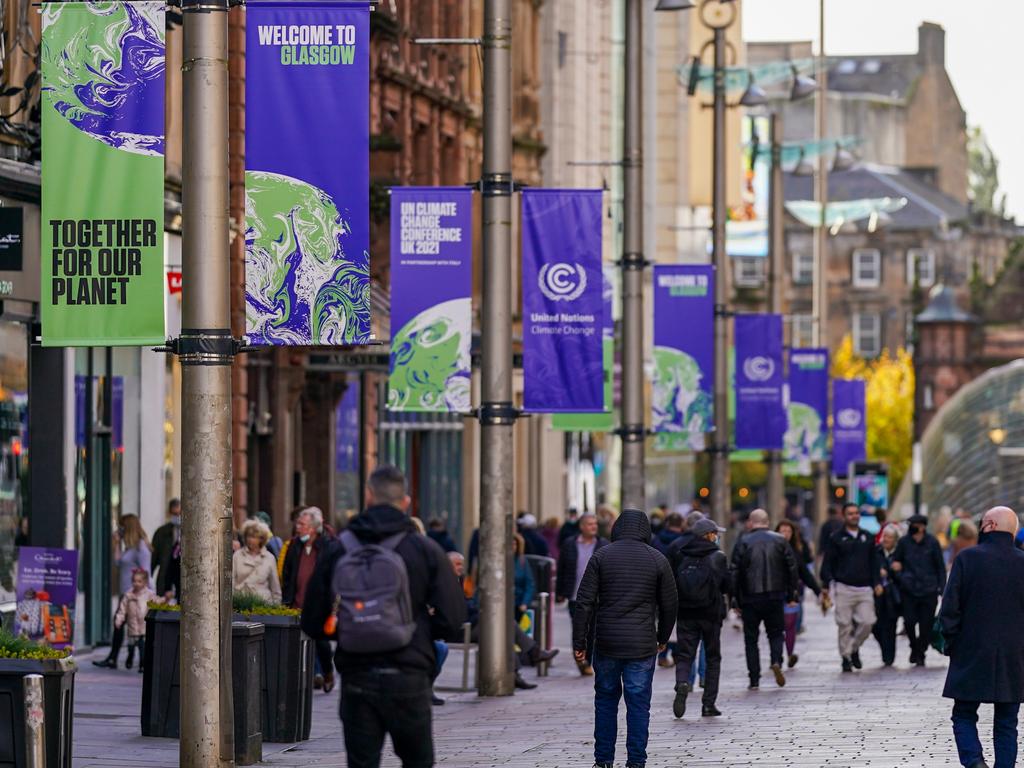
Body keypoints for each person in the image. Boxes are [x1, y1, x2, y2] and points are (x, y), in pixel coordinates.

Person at [300, 465, 466, 768]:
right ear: (405, 501)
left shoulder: (340, 549)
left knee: (362, 762)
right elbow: (453, 619)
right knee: (418, 762)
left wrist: (355, 628)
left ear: (368, 496)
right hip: (409, 672)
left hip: (357, 674)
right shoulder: (426, 550)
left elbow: (311, 621)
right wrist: (418, 628)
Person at [572, 509, 677, 768]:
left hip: (607, 642)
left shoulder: (601, 556)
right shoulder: (657, 559)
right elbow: (670, 604)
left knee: (606, 699)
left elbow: (584, 602)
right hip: (642, 644)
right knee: (639, 704)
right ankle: (636, 761)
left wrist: (579, 642)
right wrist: (662, 638)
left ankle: (603, 759)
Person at [940, 506, 1024, 768]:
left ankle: (974, 761)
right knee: (1007, 722)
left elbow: (949, 608)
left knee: (964, 713)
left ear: (988, 525)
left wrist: (951, 642)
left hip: (971, 649)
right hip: (1014, 654)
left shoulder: (967, 559)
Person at [667, 517, 730, 719]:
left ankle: (683, 682)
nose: (717, 537)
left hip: (685, 613)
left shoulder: (681, 554)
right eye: (715, 533)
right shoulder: (717, 557)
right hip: (710, 614)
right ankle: (708, 704)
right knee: (712, 657)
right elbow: (727, 585)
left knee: (685, 655)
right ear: (708, 535)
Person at [730, 509, 799, 689]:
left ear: (751, 523)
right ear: (767, 522)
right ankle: (776, 660)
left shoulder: (743, 541)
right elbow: (792, 568)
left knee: (751, 638)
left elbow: (735, 571)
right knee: (776, 632)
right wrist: (791, 593)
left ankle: (754, 678)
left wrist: (734, 598)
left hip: (750, 597)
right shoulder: (780, 540)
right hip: (775, 595)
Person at [821, 504, 882, 673]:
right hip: (844, 587)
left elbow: (874, 562)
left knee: (868, 622)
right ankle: (845, 658)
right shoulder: (836, 538)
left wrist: (877, 582)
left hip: (865, 588)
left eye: (856, 513)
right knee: (844, 625)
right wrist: (826, 585)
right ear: (843, 515)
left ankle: (853, 648)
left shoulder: (868, 537)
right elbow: (828, 563)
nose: (854, 516)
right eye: (850, 513)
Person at [281, 506, 336, 692]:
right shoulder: (294, 545)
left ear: (312, 528)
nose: (298, 527)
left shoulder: (327, 546)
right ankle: (309, 677)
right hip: (297, 601)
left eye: (302, 524)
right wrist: (287, 596)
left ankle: (327, 671)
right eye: (298, 523)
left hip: (318, 603)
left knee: (321, 642)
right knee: (299, 641)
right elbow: (287, 573)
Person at [94, 514, 153, 669]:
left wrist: (149, 595)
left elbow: (146, 573)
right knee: (122, 625)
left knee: (130, 626)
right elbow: (118, 562)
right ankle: (116, 658)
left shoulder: (141, 548)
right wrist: (116, 544)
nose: (119, 529)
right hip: (126, 593)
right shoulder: (131, 547)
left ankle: (122, 659)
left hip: (135, 595)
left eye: (121, 526)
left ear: (128, 527)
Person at [555, 513, 608, 676]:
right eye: (590, 524)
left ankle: (587, 662)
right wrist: (560, 592)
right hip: (575, 595)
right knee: (578, 628)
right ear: (582, 526)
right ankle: (580, 658)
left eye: (595, 524)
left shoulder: (604, 545)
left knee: (592, 631)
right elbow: (562, 568)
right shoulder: (569, 544)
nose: (594, 527)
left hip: (597, 596)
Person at [892, 513, 946, 667]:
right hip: (909, 590)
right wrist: (901, 576)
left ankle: (920, 652)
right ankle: (914, 646)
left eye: (914, 524)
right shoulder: (904, 542)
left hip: (929, 590)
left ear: (922, 527)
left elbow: (940, 567)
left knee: (926, 625)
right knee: (908, 622)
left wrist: (943, 588)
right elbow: (895, 562)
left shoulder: (932, 542)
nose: (911, 527)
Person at [776, 518, 821, 669]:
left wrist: (818, 590)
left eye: (788, 531)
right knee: (776, 628)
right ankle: (775, 658)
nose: (786, 534)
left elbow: (805, 573)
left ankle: (789, 654)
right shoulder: (771, 549)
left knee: (790, 626)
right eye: (782, 530)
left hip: (791, 594)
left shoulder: (796, 551)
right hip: (773, 594)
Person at [113, 568, 162, 673]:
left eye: (139, 581)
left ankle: (142, 665)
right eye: (134, 581)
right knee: (130, 647)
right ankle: (130, 657)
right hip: (132, 628)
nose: (136, 583)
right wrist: (118, 620)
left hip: (143, 628)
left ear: (145, 582)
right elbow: (122, 610)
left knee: (142, 648)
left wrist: (165, 600)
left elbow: (158, 602)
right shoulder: (128, 595)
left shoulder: (149, 594)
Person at [232, 518, 282, 603]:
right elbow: (231, 581)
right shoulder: (237, 555)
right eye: (249, 536)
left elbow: (275, 587)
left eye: (254, 537)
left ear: (262, 539)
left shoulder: (269, 558)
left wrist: (276, 608)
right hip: (240, 603)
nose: (250, 540)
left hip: (263, 604)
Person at [873, 524, 902, 667]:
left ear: (895, 539)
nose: (886, 539)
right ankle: (885, 649)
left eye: (890, 537)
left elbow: (903, 572)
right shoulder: (876, 551)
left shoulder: (900, 554)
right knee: (875, 625)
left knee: (890, 625)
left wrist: (891, 572)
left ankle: (889, 656)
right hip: (877, 594)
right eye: (885, 536)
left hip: (893, 595)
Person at [151, 498, 181, 596]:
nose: (177, 517)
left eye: (179, 514)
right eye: (174, 514)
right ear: (169, 513)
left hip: (183, 574)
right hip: (166, 572)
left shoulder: (191, 531)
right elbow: (154, 557)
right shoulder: (161, 532)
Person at [513, 533, 535, 619]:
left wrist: (524, 603)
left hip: (518, 604)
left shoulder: (522, 561)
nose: (512, 546)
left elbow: (529, 584)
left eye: (514, 544)